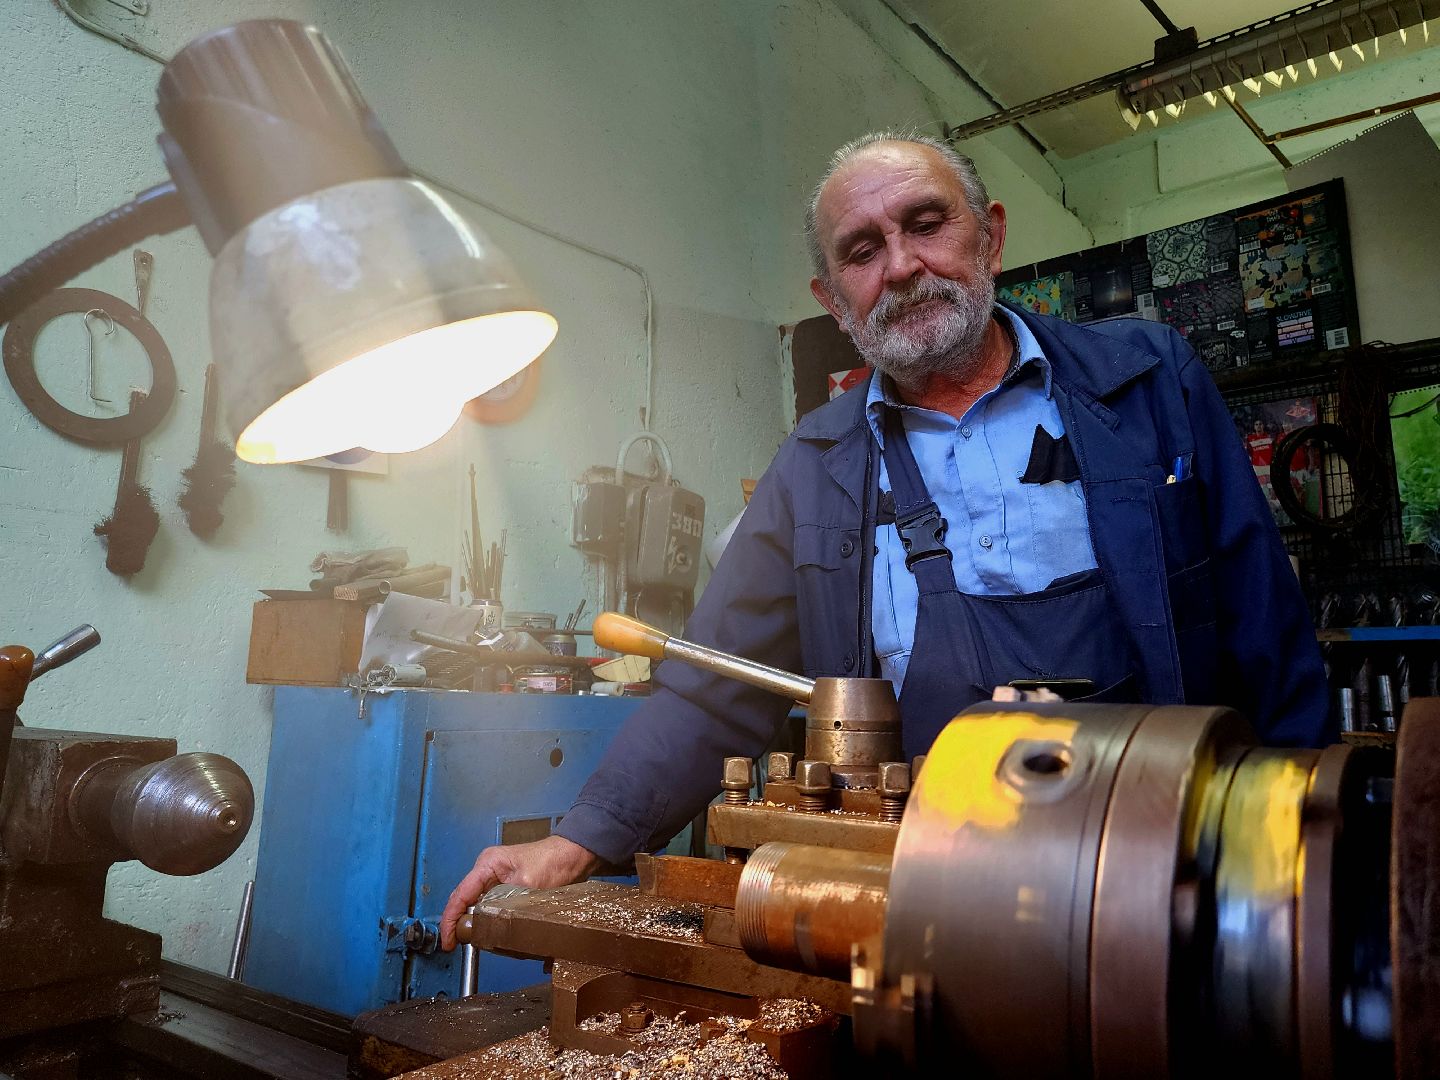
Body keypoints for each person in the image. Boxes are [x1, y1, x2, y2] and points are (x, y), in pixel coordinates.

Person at [439, 132, 1328, 950]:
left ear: (991, 237)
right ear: (833, 299)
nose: (901, 266)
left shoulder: (1148, 382)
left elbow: (1268, 633)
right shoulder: (816, 464)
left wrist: (1296, 860)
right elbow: (714, 691)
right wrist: (577, 839)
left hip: (1166, 878)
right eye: (862, 252)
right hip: (935, 903)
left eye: (927, 225)